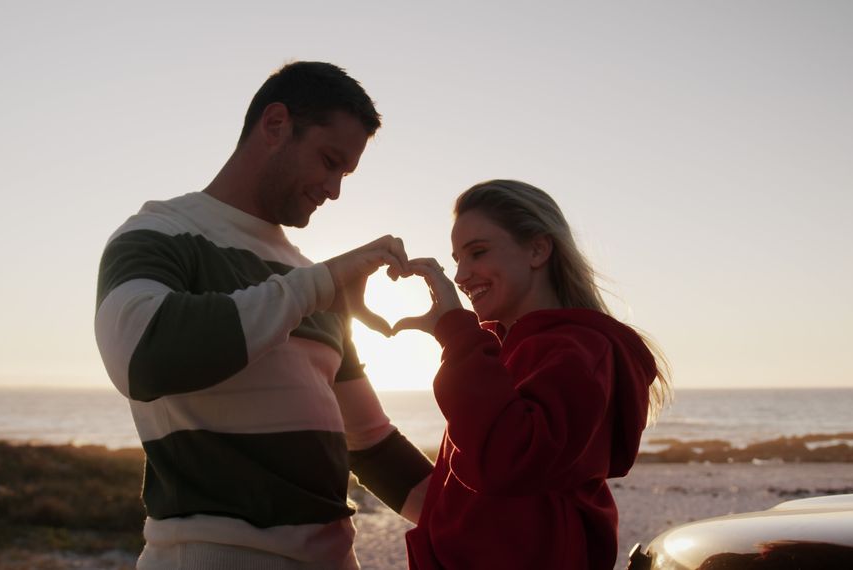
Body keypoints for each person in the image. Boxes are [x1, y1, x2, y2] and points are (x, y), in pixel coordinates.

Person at [94, 61, 433, 569]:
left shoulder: (309, 280)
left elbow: (371, 443)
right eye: (328, 160)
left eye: (345, 173)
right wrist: (322, 282)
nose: (334, 189)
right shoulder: (160, 234)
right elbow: (142, 356)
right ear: (275, 125)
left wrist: (488, 528)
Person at [395, 180, 670, 570]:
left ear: (538, 250)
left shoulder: (580, 350)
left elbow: (507, 460)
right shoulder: (494, 350)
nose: (460, 275)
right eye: (457, 259)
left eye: (477, 252)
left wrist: (457, 335)